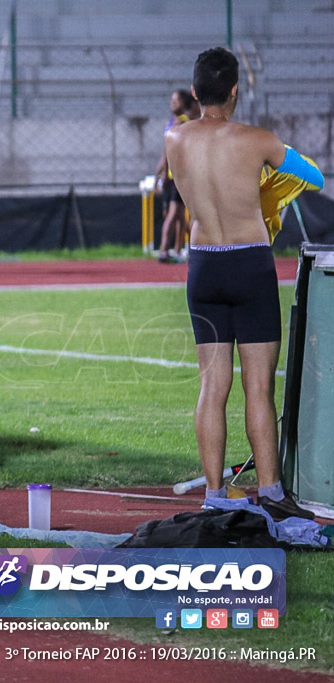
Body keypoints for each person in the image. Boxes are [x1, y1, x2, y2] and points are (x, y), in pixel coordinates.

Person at [165, 46, 324, 521]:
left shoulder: (175, 139)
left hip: (204, 265)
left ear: (194, 92)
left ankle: (214, 494)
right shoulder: (259, 140)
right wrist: (267, 194)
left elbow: (188, 184)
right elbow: (311, 176)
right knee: (259, 388)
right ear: (236, 91)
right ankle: (271, 493)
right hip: (250, 263)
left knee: (212, 385)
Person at [154, 89, 194, 263]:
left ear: (184, 103)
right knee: (175, 214)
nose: (172, 103)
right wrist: (160, 174)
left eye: (176, 100)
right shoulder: (173, 123)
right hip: (174, 176)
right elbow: (166, 153)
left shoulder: (183, 124)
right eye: (171, 100)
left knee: (177, 215)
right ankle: (170, 249)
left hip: (179, 175)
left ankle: (173, 249)